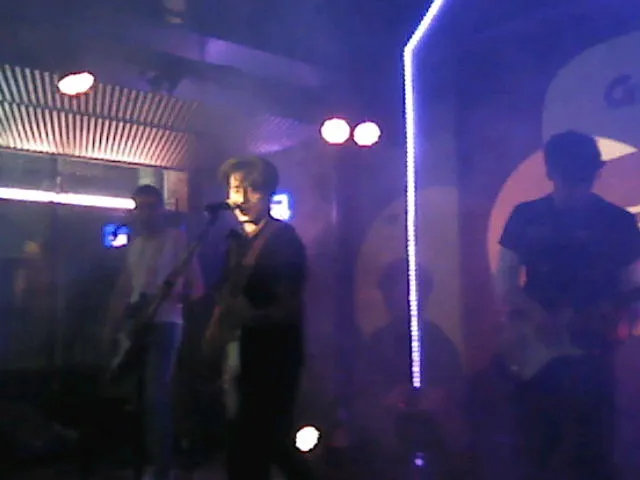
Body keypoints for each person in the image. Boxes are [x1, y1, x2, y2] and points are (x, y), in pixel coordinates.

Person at [495, 130, 640, 479]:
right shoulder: (529, 217)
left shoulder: (616, 222)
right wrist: (539, 318)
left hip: (583, 350)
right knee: (546, 448)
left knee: (579, 449)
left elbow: (630, 292)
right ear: (597, 170)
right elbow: (506, 285)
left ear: (549, 169)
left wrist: (610, 320)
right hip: (543, 353)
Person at [203, 156, 314, 480]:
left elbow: (290, 307)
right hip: (241, 357)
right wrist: (214, 333)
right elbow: (226, 297)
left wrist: (252, 316)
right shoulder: (234, 244)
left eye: (253, 189)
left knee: (265, 444)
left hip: (274, 357)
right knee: (245, 446)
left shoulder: (284, 240)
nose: (242, 197)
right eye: (236, 188)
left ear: (268, 195)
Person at [105, 184, 204, 480]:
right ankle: (143, 460)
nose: (145, 213)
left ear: (161, 209)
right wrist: (111, 326)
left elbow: (197, 288)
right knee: (137, 395)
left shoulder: (178, 239)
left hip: (166, 323)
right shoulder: (134, 245)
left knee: (156, 395)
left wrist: (173, 295)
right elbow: (124, 290)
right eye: (140, 207)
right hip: (137, 327)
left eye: (150, 206)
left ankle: (162, 468)